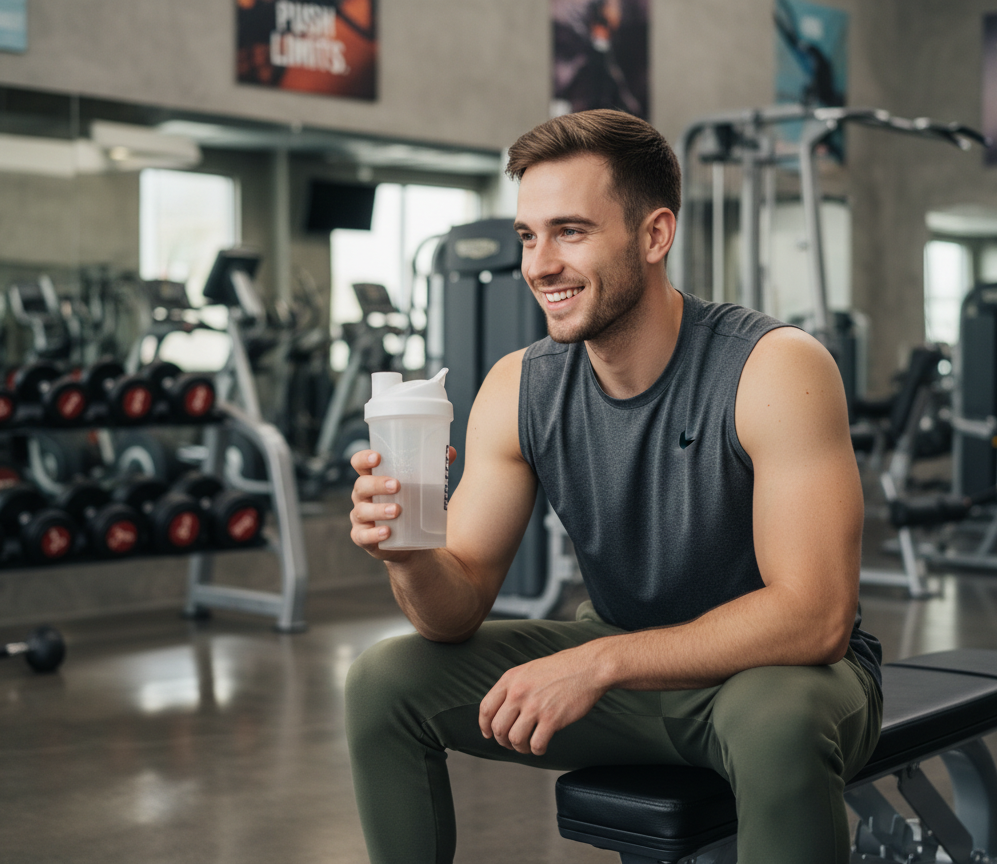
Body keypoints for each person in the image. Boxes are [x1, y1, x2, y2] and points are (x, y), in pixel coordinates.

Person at [344, 108, 882, 864]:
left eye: (570, 231)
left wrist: (597, 663)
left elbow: (815, 617)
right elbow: (453, 609)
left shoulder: (774, 367)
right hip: (629, 672)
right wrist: (408, 551)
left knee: (775, 716)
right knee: (383, 681)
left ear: (655, 234)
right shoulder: (518, 387)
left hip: (783, 678)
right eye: (528, 236)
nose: (539, 264)